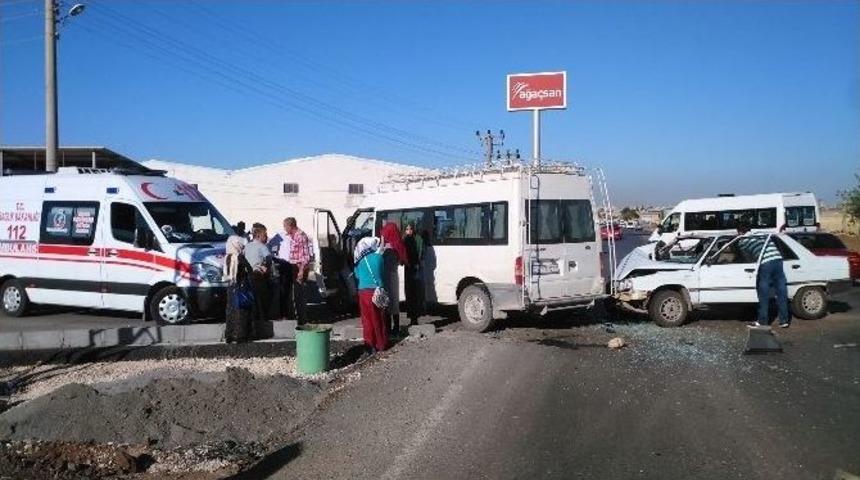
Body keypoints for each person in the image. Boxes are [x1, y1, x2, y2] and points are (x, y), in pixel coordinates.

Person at [737, 222, 790, 328]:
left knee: (763, 293)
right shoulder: (761, 233)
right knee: (781, 291)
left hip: (766, 263)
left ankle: (762, 321)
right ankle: (784, 321)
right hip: (778, 260)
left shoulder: (743, 241)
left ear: (740, 232)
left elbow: (747, 258)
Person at [353, 236, 388, 352]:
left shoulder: (360, 260)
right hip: (376, 291)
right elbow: (383, 273)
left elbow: (357, 276)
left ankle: (369, 344)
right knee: (378, 318)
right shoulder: (379, 258)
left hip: (363, 291)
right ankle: (381, 344)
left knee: (366, 319)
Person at [223, 235, 254, 343]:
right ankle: (241, 335)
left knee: (230, 310)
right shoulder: (239, 257)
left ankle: (229, 334)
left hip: (231, 287)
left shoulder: (227, 257)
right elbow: (249, 270)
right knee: (242, 310)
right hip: (241, 287)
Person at [380, 222, 408, 335]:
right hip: (394, 277)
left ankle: (388, 328)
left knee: (386, 303)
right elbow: (402, 261)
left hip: (386, 278)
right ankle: (396, 327)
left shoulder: (386, 250)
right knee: (394, 303)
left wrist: (382, 244)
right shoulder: (397, 246)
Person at [244, 223, 273, 331]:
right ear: (258, 236)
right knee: (263, 297)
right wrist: (267, 268)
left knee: (253, 298)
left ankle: (253, 318)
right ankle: (263, 319)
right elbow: (269, 259)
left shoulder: (247, 246)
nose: (267, 237)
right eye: (265, 235)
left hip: (248, 275)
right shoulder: (262, 246)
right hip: (259, 275)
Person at [285, 217, 312, 325]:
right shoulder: (292, 236)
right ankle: (297, 316)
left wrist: (301, 271)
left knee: (299, 294)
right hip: (292, 266)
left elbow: (305, 256)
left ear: (291, 226)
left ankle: (302, 319)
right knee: (295, 294)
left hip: (299, 267)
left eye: (285, 226)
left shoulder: (300, 236)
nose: (285, 229)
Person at [268, 218, 295, 320]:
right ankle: (283, 313)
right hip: (283, 265)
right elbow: (270, 246)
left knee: (293, 291)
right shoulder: (280, 235)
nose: (284, 228)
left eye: (285, 226)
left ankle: (293, 312)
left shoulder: (297, 236)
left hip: (293, 265)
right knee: (283, 291)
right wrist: (274, 257)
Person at [403, 222, 425, 326]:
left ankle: (414, 319)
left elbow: (420, 254)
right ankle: (412, 318)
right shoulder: (405, 240)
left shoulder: (418, 239)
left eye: (410, 229)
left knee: (415, 294)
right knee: (409, 293)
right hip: (408, 269)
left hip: (415, 269)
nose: (409, 231)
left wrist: (417, 264)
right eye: (407, 229)